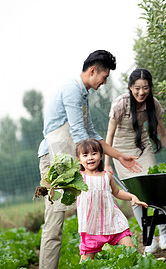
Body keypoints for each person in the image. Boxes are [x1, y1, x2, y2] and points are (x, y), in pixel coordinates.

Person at [38, 50, 143, 269]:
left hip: (73, 159)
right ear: (93, 70)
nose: (104, 83)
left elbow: (92, 135)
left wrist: (119, 156)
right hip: (56, 162)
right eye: (104, 78)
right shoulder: (71, 90)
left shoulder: (83, 94)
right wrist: (90, 165)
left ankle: (94, 250)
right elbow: (78, 134)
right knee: (56, 220)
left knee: (89, 208)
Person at [105, 68, 166, 254]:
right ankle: (150, 239)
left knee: (155, 187)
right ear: (130, 87)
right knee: (134, 195)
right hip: (121, 151)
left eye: (145, 88)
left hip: (142, 147)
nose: (141, 92)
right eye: (137, 88)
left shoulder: (153, 103)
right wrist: (107, 162)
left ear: (150, 88)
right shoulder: (121, 104)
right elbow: (109, 135)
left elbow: (163, 132)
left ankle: (164, 234)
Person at [76, 138, 148, 262]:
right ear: (79, 159)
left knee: (131, 254)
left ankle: (145, 264)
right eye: (85, 155)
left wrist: (132, 197)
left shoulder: (107, 176)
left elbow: (117, 192)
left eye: (94, 154)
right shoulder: (78, 178)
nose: (90, 158)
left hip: (113, 222)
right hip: (91, 228)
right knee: (86, 264)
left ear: (101, 155)